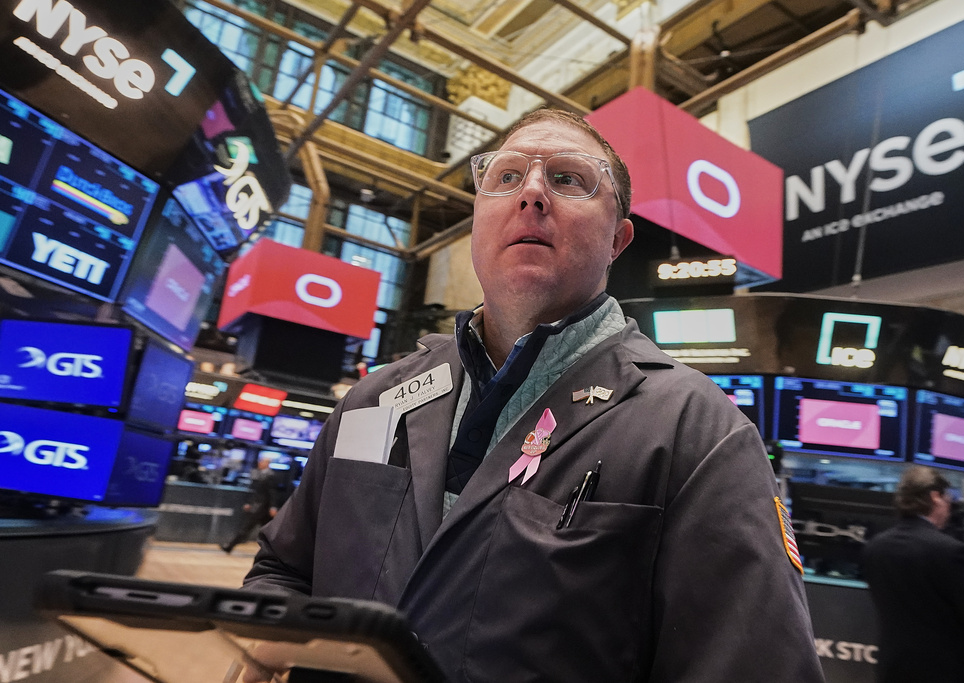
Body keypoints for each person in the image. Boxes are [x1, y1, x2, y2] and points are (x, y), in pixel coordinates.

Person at [243, 109, 824, 681]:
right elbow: (284, 568)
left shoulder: (698, 432)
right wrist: (265, 643)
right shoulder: (373, 399)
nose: (532, 193)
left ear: (618, 239)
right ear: (478, 217)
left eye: (568, 178)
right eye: (507, 176)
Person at [861, 465, 964, 683]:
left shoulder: (875, 547)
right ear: (936, 497)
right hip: (951, 673)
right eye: (948, 498)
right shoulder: (953, 552)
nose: (950, 507)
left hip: (895, 669)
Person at [221, 455, 288, 554]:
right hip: (259, 507)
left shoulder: (270, 476)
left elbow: (273, 493)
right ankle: (230, 546)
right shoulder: (259, 474)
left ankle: (230, 546)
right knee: (265, 531)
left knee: (251, 528)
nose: (259, 463)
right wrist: (249, 502)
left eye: (262, 462)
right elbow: (256, 492)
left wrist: (273, 507)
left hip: (262, 508)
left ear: (267, 464)